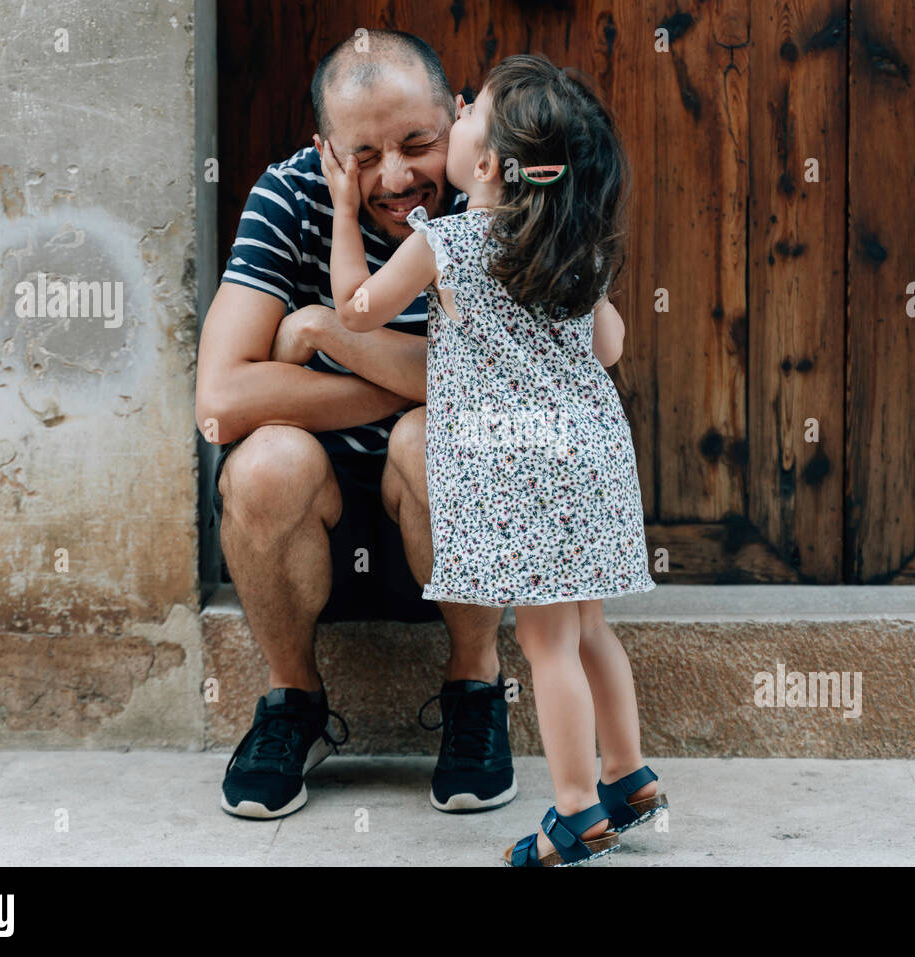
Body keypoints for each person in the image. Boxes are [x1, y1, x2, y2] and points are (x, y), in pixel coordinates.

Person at [317, 53, 668, 866]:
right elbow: (609, 347)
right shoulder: (574, 248)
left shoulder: (446, 244)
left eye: (472, 111)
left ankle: (578, 810)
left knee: (545, 647)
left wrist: (344, 211)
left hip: (520, 471)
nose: (463, 104)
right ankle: (630, 772)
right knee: (588, 631)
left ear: (483, 165)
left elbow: (357, 310)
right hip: (591, 458)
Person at [195, 30, 516, 820]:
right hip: (316, 538)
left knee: (433, 437)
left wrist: (331, 336)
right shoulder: (288, 197)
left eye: (418, 142)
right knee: (266, 461)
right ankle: (293, 701)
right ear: (326, 151)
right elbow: (224, 402)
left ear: (462, 116)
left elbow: (510, 385)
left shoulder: (499, 197)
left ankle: (476, 683)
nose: (398, 177)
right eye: (364, 154)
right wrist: (417, 381)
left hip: (453, 523)